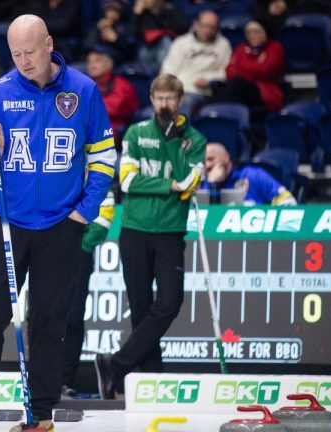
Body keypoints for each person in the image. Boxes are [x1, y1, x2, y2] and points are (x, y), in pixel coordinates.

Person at [0, 15, 116, 432]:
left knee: (48, 321)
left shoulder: (83, 90)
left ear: (48, 44)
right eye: (16, 54)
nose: (24, 61)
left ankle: (40, 415)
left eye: (30, 51)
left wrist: (83, 212)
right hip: (8, 221)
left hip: (62, 224)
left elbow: (104, 160)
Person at [94, 74, 206, 400]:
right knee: (141, 308)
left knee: (170, 302)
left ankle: (115, 366)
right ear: (152, 99)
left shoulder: (194, 140)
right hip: (134, 229)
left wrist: (172, 144)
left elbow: (189, 185)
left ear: (180, 101)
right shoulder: (137, 132)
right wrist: (168, 185)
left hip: (170, 231)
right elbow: (127, 181)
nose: (164, 104)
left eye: (170, 98)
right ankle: (152, 379)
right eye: (159, 98)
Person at [61, 187, 115, 399]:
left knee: (73, 317)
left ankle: (65, 381)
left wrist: (81, 246)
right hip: (47, 247)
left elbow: (104, 219)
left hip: (78, 253)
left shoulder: (98, 171)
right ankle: (38, 379)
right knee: (41, 314)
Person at [160, 10, 231, 115]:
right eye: (205, 26)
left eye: (212, 27)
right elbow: (168, 69)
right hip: (178, 90)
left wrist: (209, 79)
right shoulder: (181, 42)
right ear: (196, 24)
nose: (208, 31)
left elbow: (227, 71)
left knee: (182, 106)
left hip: (201, 92)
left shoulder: (223, 44)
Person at [212, 19, 285, 112]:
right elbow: (229, 71)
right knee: (223, 86)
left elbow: (265, 71)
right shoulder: (241, 48)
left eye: (256, 32)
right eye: (248, 33)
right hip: (241, 92)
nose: (252, 36)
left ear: (266, 32)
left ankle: (210, 111)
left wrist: (241, 67)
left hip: (264, 92)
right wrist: (256, 65)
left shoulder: (275, 48)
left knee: (237, 83)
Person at [202, 142, 296, 205]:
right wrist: (211, 185)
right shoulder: (205, 183)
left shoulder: (253, 175)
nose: (207, 165)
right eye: (204, 161)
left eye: (211, 159)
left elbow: (288, 201)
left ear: (226, 157)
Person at [86, 45, 139, 141]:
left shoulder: (123, 86)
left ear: (110, 64)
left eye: (97, 61)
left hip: (114, 136)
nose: (92, 66)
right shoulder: (84, 85)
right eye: (89, 62)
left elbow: (117, 108)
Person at [132, 0, 188, 73]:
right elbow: (131, 35)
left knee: (165, 40)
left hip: (166, 49)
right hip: (146, 50)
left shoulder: (170, 12)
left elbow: (183, 29)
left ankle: (163, 72)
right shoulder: (142, 15)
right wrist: (136, 15)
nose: (144, 1)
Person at [84, 0, 136, 65]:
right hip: (95, 59)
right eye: (109, 10)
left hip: (117, 61)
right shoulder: (100, 25)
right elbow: (88, 46)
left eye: (115, 11)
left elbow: (130, 52)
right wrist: (96, 30)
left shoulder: (127, 26)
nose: (112, 14)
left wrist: (116, 39)